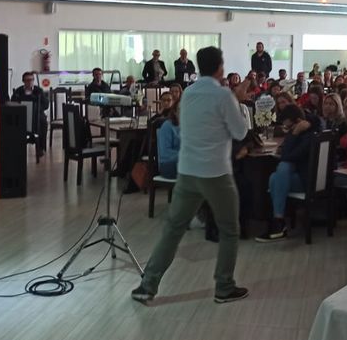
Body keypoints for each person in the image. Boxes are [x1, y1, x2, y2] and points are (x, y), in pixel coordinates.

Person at [132, 46, 250, 305]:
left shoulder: (188, 94)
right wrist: (238, 100)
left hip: (187, 171)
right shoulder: (224, 96)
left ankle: (147, 286)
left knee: (173, 230)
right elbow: (240, 132)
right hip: (216, 173)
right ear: (220, 67)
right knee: (229, 230)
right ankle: (224, 286)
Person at [258, 105, 320, 242]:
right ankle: (278, 221)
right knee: (276, 176)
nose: (288, 130)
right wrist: (293, 134)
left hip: (308, 180)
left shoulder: (309, 136)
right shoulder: (302, 132)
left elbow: (287, 156)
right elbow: (285, 152)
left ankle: (278, 223)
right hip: (300, 176)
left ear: (298, 122)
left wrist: (294, 134)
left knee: (280, 171)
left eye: (290, 127)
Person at [11, 72, 50, 154]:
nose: (30, 82)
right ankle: (18, 147)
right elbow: (13, 103)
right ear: (23, 81)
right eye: (27, 80)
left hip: (37, 115)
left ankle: (41, 148)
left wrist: (36, 109)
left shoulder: (38, 91)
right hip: (23, 116)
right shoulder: (18, 91)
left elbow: (46, 104)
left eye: (31, 80)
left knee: (43, 122)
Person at [157, 103, 181, 179]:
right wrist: (186, 155)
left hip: (183, 161)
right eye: (180, 109)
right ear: (175, 112)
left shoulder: (188, 126)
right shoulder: (167, 126)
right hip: (169, 164)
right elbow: (165, 152)